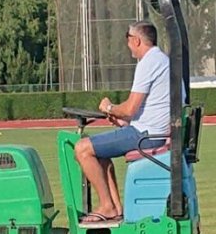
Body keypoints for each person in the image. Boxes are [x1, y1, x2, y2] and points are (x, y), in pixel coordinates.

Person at [74, 20, 182, 223]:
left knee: (82, 149)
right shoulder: (161, 60)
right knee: (100, 154)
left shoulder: (149, 62)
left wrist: (108, 107)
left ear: (136, 40)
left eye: (128, 39)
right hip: (150, 129)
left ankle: (106, 206)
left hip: (146, 135)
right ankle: (114, 208)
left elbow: (130, 108)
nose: (128, 44)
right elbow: (147, 108)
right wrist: (123, 121)